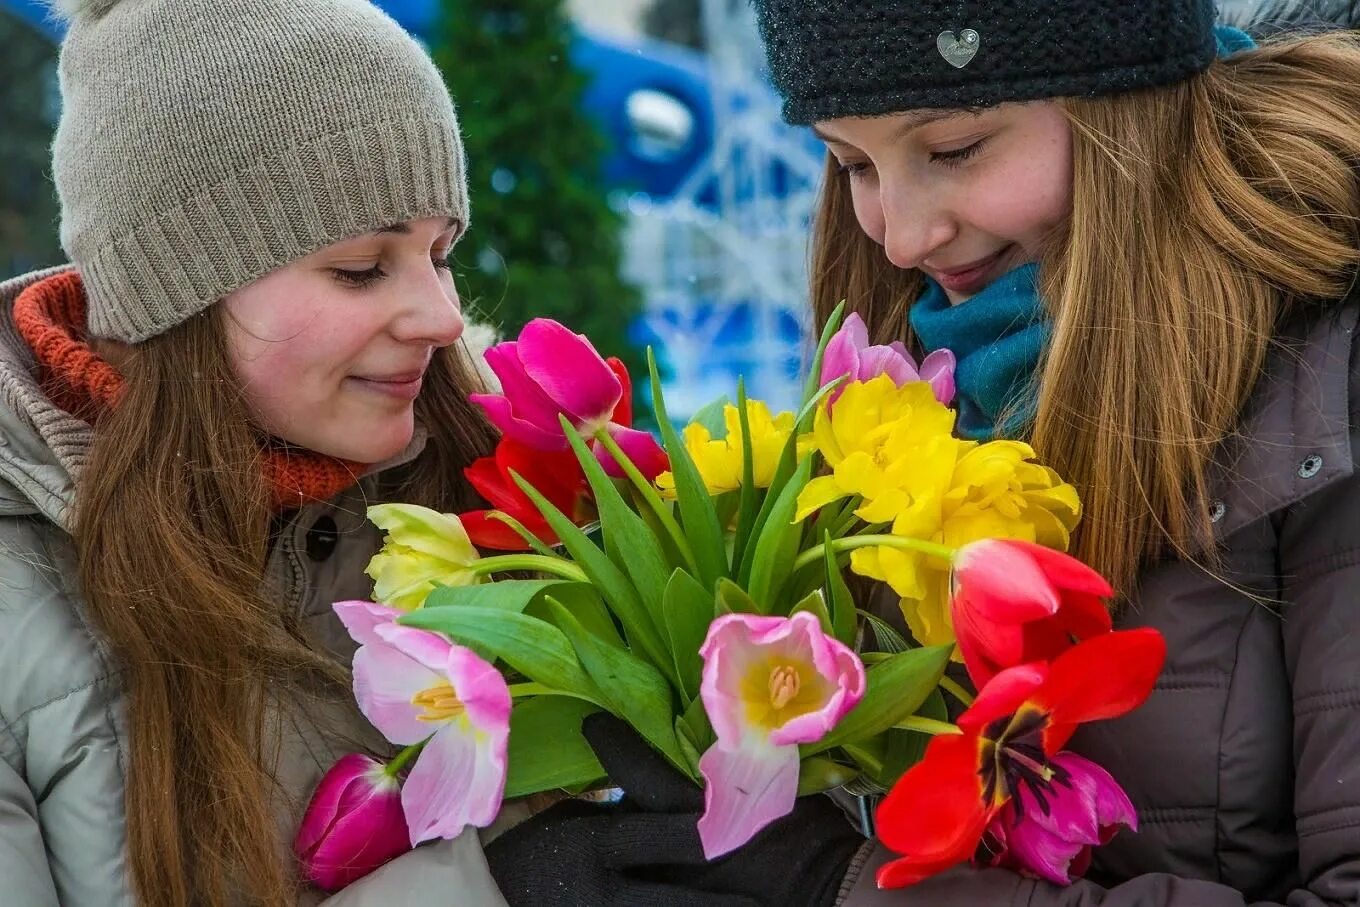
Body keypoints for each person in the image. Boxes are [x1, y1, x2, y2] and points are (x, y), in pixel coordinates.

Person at [487, 1, 1360, 905]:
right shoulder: (911, 380)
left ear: (1124, 103)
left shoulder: (1329, 377)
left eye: (952, 149)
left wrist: (838, 883)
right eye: (851, 163)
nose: (901, 238)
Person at [0, 0, 514, 904]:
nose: (440, 316)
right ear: (176, 293)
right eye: (362, 267)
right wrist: (503, 882)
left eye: (441, 254)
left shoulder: (491, 477)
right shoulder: (20, 612)